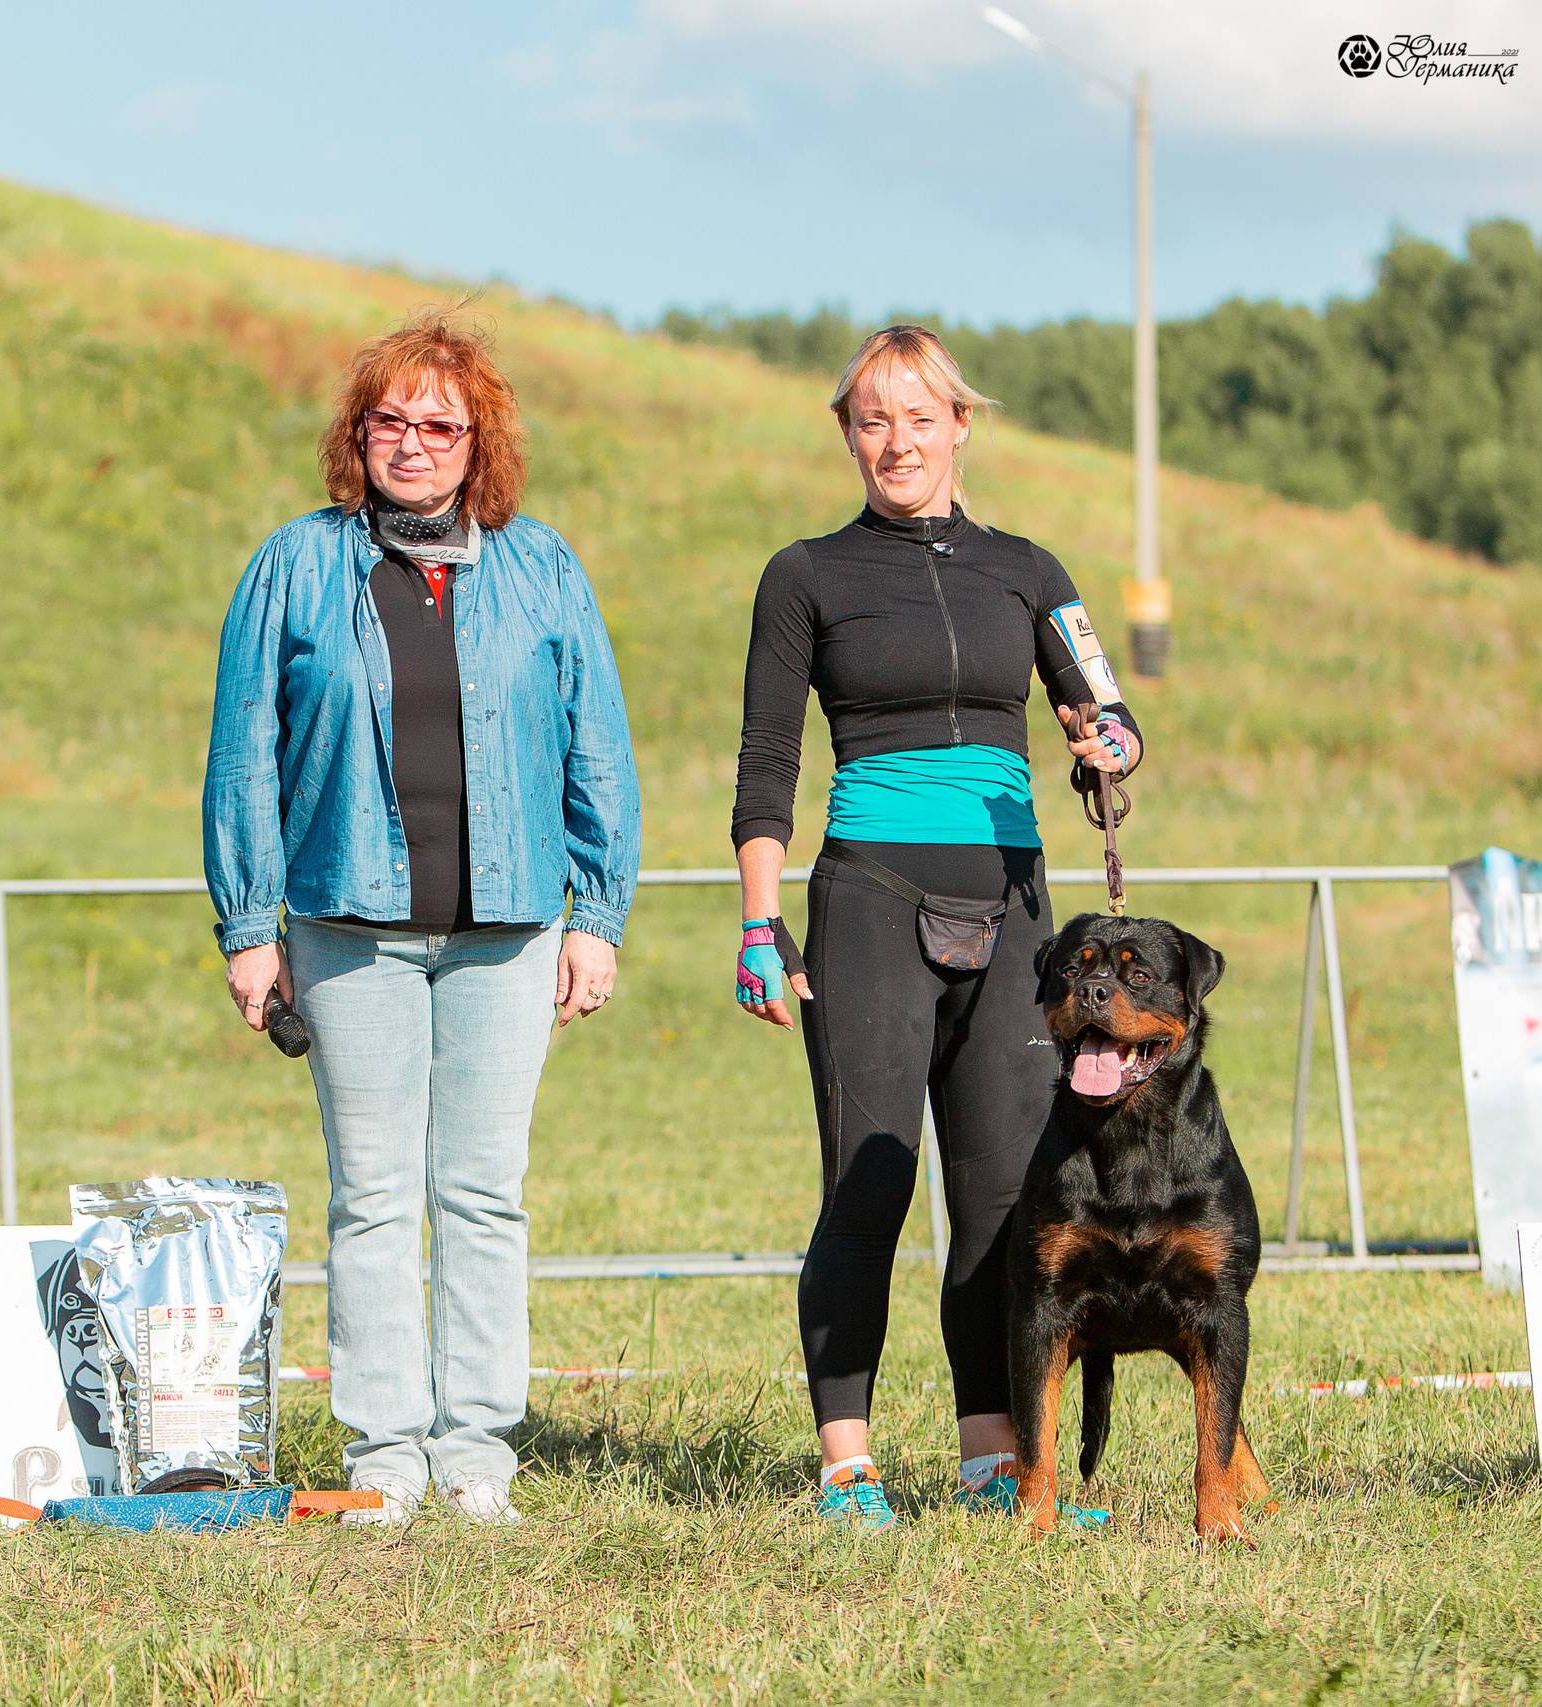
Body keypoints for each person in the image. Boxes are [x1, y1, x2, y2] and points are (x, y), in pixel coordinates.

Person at [203, 308, 641, 1527]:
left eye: (438, 424)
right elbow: (242, 755)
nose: (412, 441)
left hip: (511, 929)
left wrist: (596, 911)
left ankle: (479, 1456)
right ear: (358, 437)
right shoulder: (294, 566)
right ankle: (386, 1458)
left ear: (476, 442)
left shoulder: (542, 567)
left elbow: (596, 746)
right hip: (348, 931)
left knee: (485, 1194)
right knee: (375, 1197)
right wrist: (249, 929)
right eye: (388, 420)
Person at [730, 324, 1141, 1532]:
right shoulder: (805, 575)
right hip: (868, 900)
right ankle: (847, 1465)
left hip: (1013, 907)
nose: (894, 440)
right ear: (847, 433)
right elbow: (767, 765)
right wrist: (761, 926)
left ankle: (993, 1462)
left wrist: (1105, 748)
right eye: (871, 419)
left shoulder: (1029, 569)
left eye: (919, 417)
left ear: (962, 425)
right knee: (871, 1182)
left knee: (1008, 1195)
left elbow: (1106, 716)